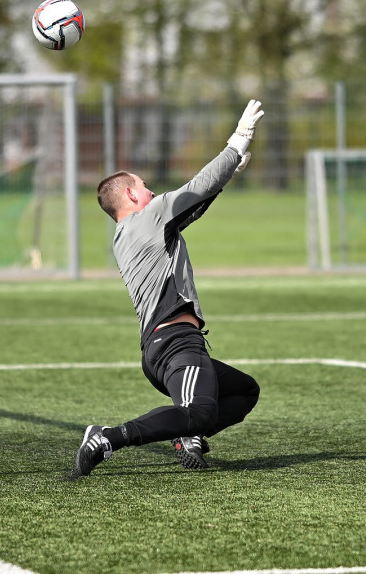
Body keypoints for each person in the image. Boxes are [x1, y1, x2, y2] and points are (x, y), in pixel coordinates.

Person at [76, 100, 264, 477]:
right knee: (198, 412)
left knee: (244, 391)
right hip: (176, 342)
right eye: (144, 187)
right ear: (130, 196)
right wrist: (237, 142)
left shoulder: (127, 233)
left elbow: (192, 205)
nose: (151, 191)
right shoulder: (148, 217)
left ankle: (188, 433)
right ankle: (109, 436)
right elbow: (197, 189)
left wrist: (228, 174)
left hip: (161, 347)